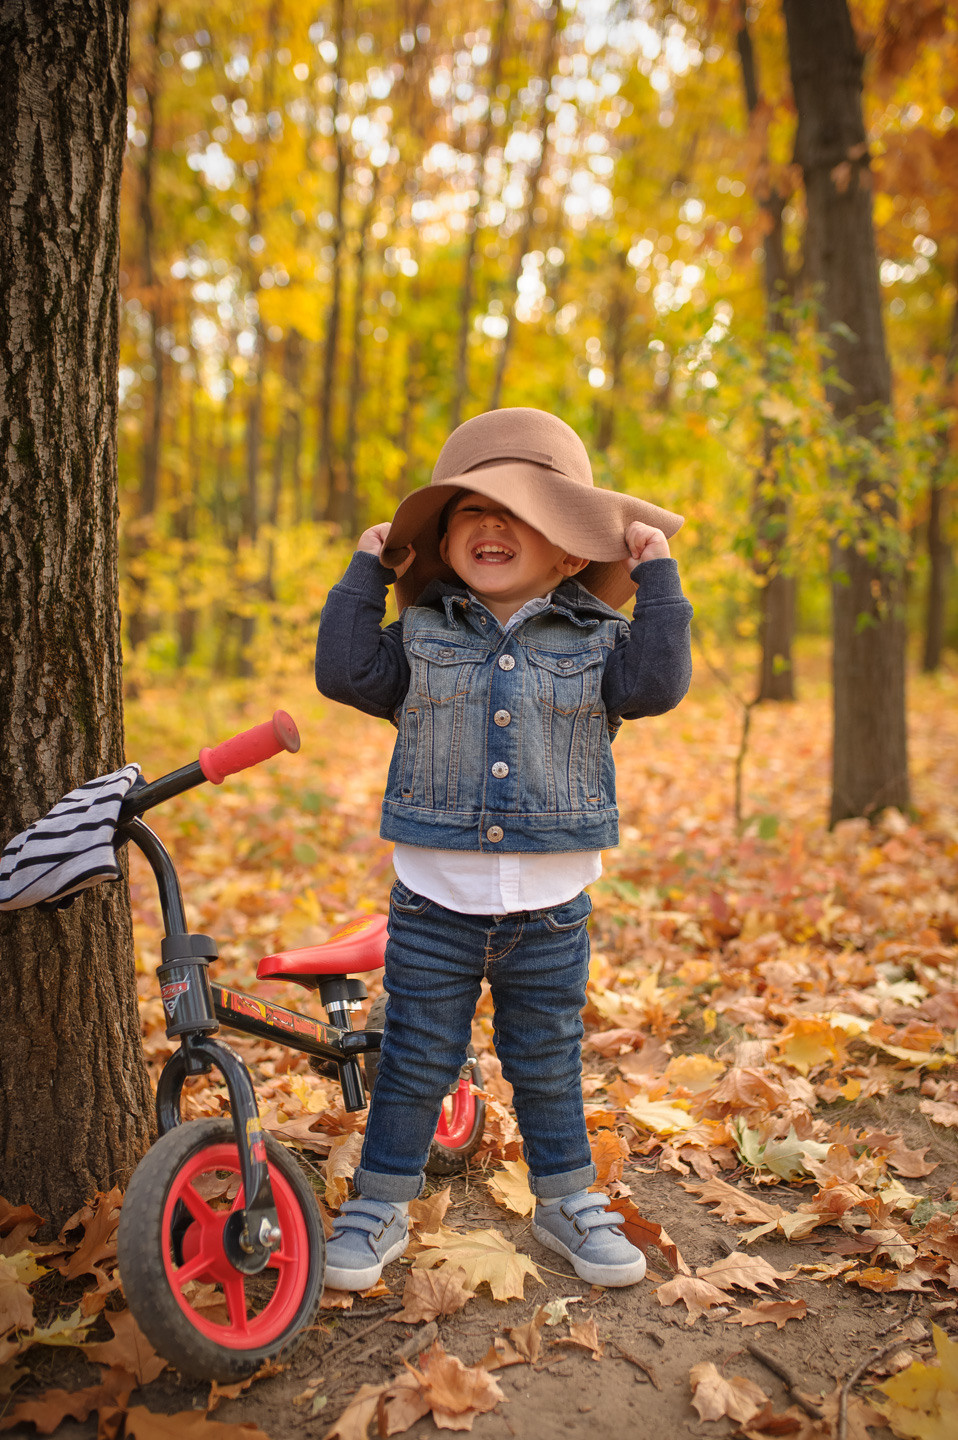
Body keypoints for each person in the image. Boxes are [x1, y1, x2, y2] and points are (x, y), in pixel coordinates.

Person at [315, 406, 693, 1290]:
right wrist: (366, 571)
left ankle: (566, 1199)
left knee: (547, 1060)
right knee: (414, 1059)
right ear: (445, 546)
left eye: (517, 511)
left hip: (551, 911)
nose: (490, 524)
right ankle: (379, 1203)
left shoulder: (602, 642)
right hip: (434, 904)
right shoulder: (419, 636)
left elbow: (661, 683)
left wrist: (661, 579)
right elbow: (342, 671)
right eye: (469, 512)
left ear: (567, 550)